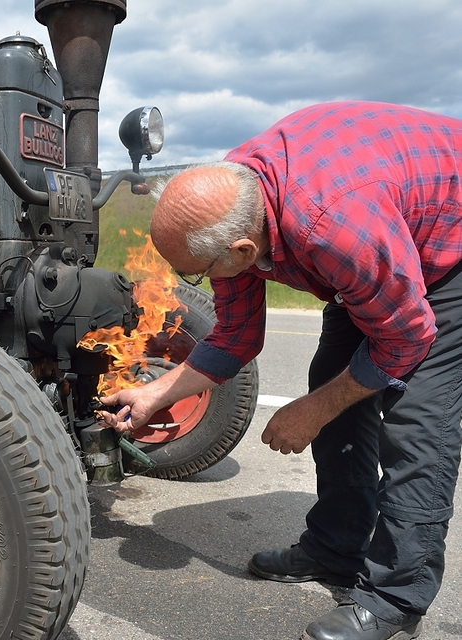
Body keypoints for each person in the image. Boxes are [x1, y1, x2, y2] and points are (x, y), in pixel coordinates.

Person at [99, 101, 462, 640]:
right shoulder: (234, 201)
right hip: (378, 241)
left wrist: (312, 412)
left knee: (416, 423)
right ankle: (336, 549)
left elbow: (407, 334)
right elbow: (237, 336)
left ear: (244, 250)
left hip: (445, 251)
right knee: (334, 385)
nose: (196, 280)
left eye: (197, 273)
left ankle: (395, 598)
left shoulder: (330, 223)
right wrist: (156, 394)